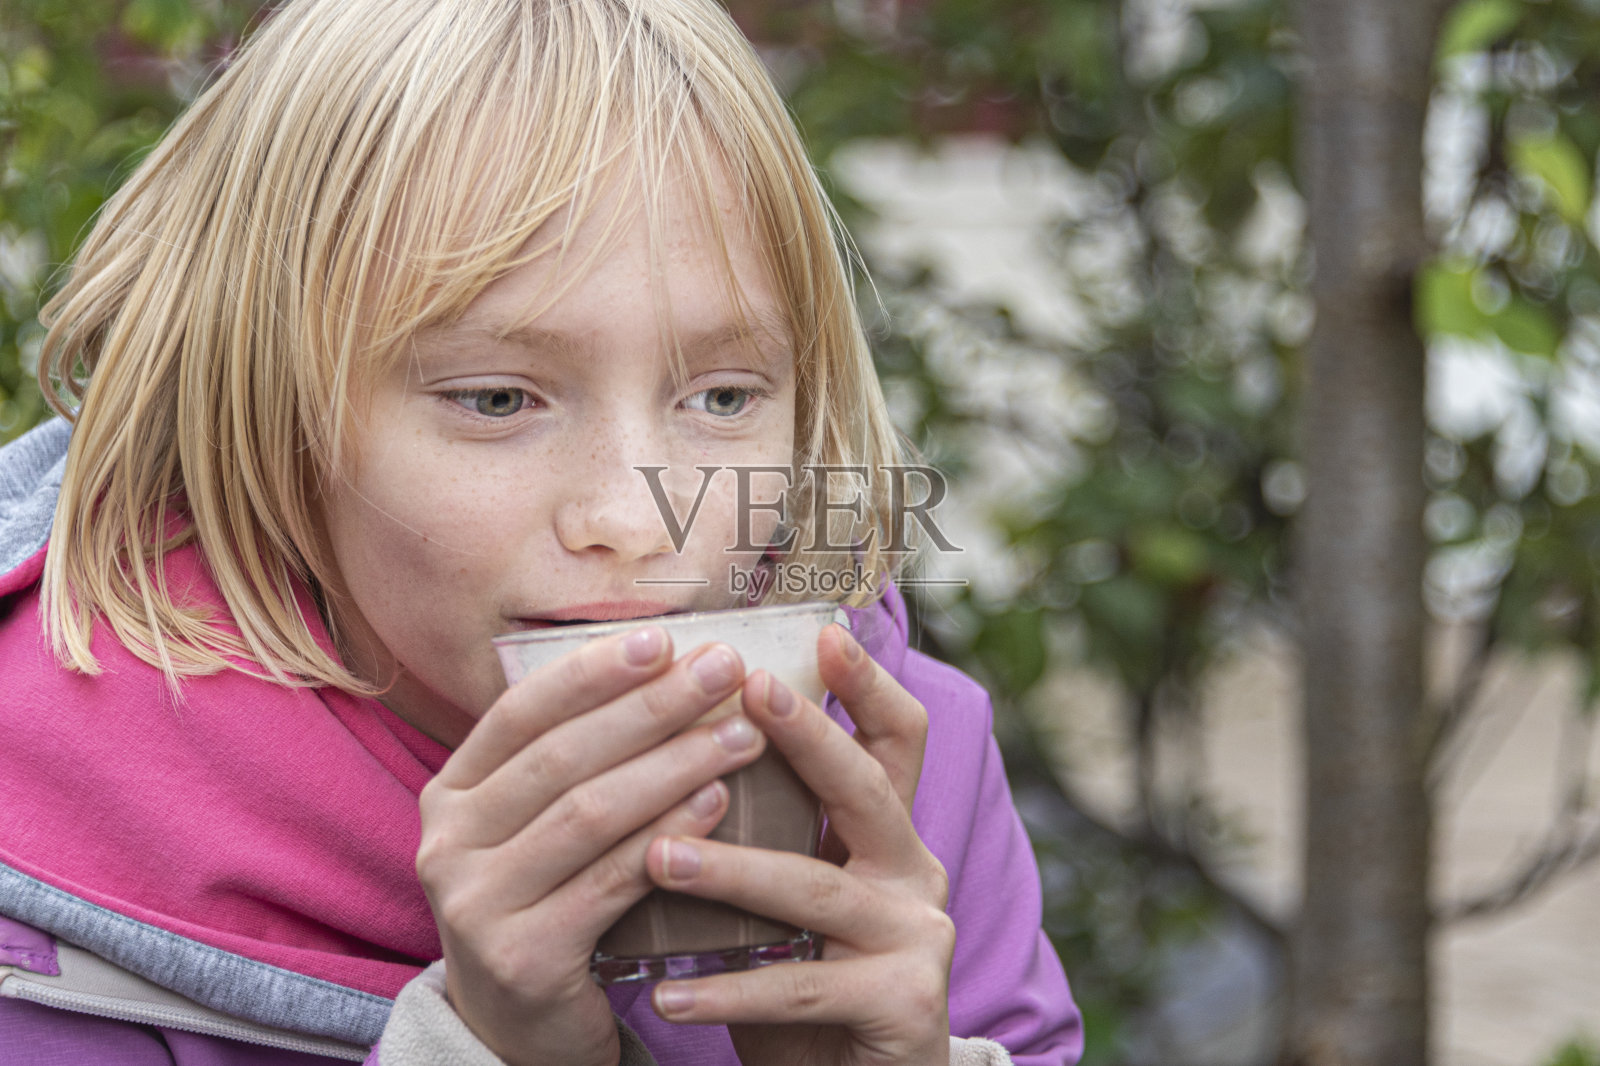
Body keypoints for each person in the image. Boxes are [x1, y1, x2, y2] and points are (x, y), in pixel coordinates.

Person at [0, 0, 1084, 1063]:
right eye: (497, 400)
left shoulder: (903, 772)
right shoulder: (48, 836)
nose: (631, 518)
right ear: (273, 415)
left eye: (720, 397)